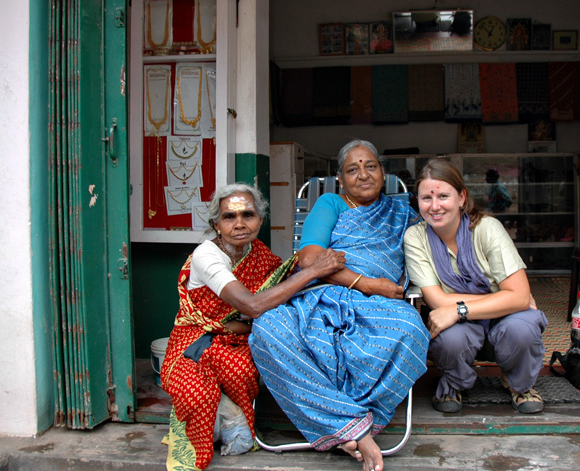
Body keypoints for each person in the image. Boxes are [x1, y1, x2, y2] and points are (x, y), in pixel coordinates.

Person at [250, 140, 430, 471]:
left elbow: (428, 255)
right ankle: (357, 429)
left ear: (383, 172)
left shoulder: (402, 213)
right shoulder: (330, 204)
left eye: (370, 166)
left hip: (380, 307)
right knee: (266, 330)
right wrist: (368, 283)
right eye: (352, 169)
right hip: (322, 296)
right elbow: (309, 258)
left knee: (413, 332)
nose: (363, 174)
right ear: (340, 179)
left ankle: (341, 424)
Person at [160, 183, 346, 470]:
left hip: (238, 339)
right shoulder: (207, 255)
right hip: (196, 342)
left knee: (253, 367)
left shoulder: (257, 252)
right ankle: (212, 418)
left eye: (248, 215)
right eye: (229, 217)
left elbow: (281, 287)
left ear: (260, 220)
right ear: (216, 224)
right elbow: (253, 306)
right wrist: (315, 270)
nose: (239, 224)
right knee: (196, 395)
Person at [403, 159, 548, 415]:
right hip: (467, 325)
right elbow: (436, 301)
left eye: (444, 196)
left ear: (461, 197)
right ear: (418, 201)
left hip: (496, 321)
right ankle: (454, 383)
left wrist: (458, 309)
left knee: (521, 327)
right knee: (449, 339)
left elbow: (520, 297)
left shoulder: (487, 228)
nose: (435, 206)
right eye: (426, 198)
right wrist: (503, 298)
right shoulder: (415, 237)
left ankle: (520, 384)